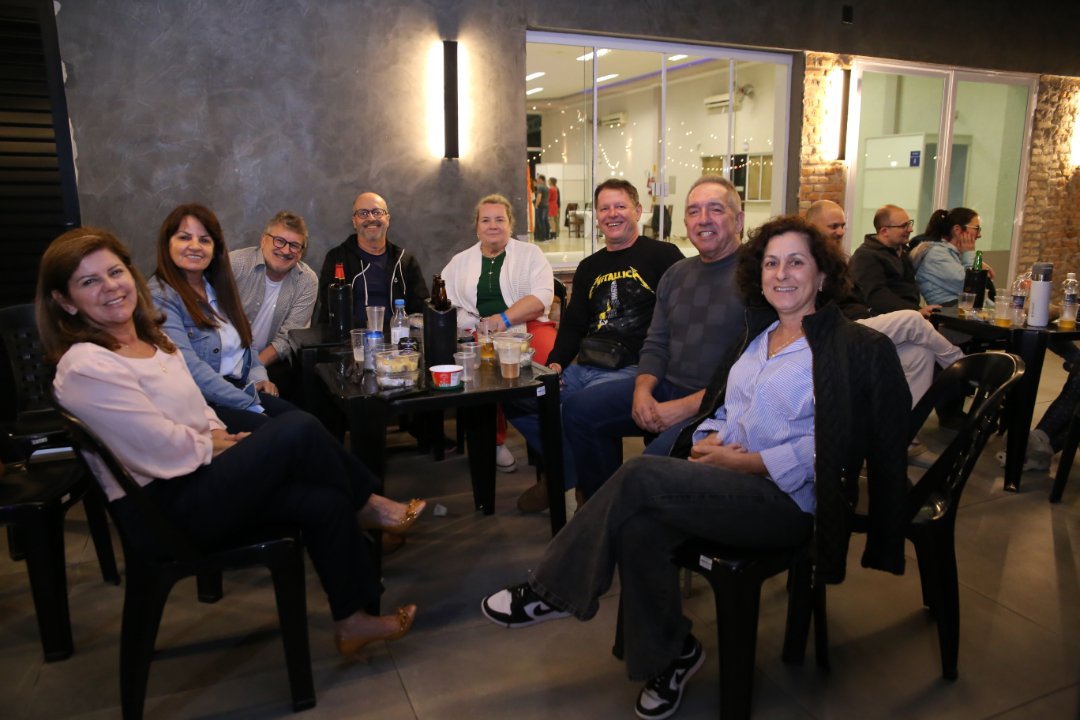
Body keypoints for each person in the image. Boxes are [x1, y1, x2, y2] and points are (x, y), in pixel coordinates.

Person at [481, 216, 909, 720]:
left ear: (823, 274)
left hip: (788, 503)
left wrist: (747, 462)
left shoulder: (850, 346)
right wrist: (709, 439)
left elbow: (840, 448)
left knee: (640, 473)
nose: (782, 274)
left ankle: (552, 589)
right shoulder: (757, 336)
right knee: (639, 526)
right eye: (771, 263)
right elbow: (725, 409)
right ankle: (672, 655)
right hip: (726, 482)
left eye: (797, 262)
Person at [37, 227, 425, 658]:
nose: (110, 286)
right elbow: (162, 448)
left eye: (115, 272)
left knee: (325, 502)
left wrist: (217, 433)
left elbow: (196, 404)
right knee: (297, 428)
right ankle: (368, 503)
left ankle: (352, 620)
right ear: (65, 301)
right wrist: (221, 445)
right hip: (165, 509)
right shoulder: (86, 366)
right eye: (89, 281)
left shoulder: (149, 340)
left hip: (199, 477)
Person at [562, 176, 747, 499]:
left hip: (718, 406)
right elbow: (656, 342)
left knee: (643, 471)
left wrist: (685, 407)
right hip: (666, 387)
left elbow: (754, 372)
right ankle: (598, 506)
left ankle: (619, 508)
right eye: (693, 211)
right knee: (579, 409)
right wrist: (642, 390)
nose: (703, 219)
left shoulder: (757, 277)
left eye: (715, 209)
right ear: (685, 222)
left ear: (739, 220)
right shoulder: (677, 274)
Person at [507, 178, 685, 511]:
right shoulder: (589, 267)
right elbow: (574, 324)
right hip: (587, 365)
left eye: (620, 206)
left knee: (581, 408)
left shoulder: (663, 256)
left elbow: (681, 319)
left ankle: (594, 499)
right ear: (597, 216)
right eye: (604, 208)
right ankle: (568, 472)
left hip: (635, 368)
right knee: (519, 397)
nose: (612, 214)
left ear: (638, 211)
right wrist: (556, 364)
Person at [150, 203, 295, 433]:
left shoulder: (217, 286)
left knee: (304, 422)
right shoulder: (160, 296)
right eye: (184, 237)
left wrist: (258, 378)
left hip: (241, 387)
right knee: (290, 434)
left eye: (204, 240)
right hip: (204, 402)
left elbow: (246, 342)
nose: (195, 246)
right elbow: (190, 368)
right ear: (167, 243)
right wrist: (248, 403)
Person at [807, 200, 964, 405]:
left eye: (843, 226)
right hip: (840, 331)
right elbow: (875, 295)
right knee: (913, 319)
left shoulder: (837, 259)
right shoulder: (810, 261)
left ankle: (906, 423)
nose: (841, 232)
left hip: (860, 323)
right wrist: (915, 310)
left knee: (920, 354)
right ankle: (961, 365)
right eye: (833, 226)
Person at [441, 193, 556, 471]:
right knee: (480, 375)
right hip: (478, 331)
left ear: (510, 224)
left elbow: (542, 297)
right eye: (486, 220)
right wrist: (476, 323)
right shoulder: (460, 261)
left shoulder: (530, 254)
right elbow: (445, 301)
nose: (493, 225)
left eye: (499, 219)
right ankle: (494, 441)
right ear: (476, 226)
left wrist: (502, 320)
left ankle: (552, 436)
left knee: (543, 373)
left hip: (529, 327)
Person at [230, 210, 318, 400]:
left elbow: (288, 337)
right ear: (263, 240)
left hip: (270, 361)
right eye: (279, 241)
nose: (285, 250)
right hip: (225, 357)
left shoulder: (307, 281)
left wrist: (254, 367)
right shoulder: (234, 264)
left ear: (301, 252)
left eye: (294, 245)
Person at [315, 192, 428, 329]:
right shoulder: (337, 258)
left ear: (387, 219)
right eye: (363, 213)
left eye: (377, 212)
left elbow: (420, 311)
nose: (371, 218)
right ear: (354, 221)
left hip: (397, 338)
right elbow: (330, 308)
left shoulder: (405, 261)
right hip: (349, 338)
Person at [849, 204, 939, 318]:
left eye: (909, 224)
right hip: (881, 319)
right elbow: (877, 296)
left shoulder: (902, 251)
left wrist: (919, 311)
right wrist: (916, 311)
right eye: (904, 226)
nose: (910, 229)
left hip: (907, 316)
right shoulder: (865, 256)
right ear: (884, 231)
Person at [909, 207, 994, 306]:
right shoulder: (936, 254)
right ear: (957, 230)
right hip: (950, 311)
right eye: (977, 229)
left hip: (965, 309)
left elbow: (983, 290)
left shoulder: (954, 253)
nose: (979, 235)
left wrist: (976, 261)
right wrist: (969, 254)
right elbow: (971, 289)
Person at [534, 174, 550, 242]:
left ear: (541, 179)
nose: (537, 180)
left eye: (538, 178)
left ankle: (541, 237)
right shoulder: (546, 187)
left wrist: (536, 205)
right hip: (546, 206)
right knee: (545, 221)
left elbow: (539, 197)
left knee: (540, 222)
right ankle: (547, 237)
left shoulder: (540, 187)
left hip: (541, 207)